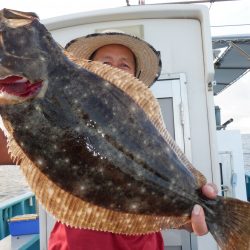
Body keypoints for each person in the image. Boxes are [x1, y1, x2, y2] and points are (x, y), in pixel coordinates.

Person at [47, 31, 218, 250]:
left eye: (124, 65)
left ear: (134, 79)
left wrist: (195, 215)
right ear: (89, 72)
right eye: (105, 62)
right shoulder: (63, 118)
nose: (114, 70)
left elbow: (165, 203)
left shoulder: (151, 135)